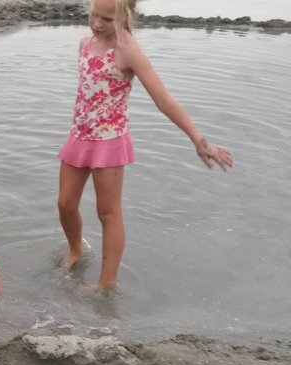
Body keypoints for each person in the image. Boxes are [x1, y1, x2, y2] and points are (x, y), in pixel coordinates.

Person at [56, 0, 233, 292]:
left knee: (108, 213)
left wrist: (199, 140)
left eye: (106, 19)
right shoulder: (85, 44)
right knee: (65, 203)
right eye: (94, 15)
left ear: (125, 16)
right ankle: (76, 249)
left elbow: (163, 99)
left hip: (110, 141)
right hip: (79, 136)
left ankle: (106, 284)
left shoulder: (129, 51)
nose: (97, 24)